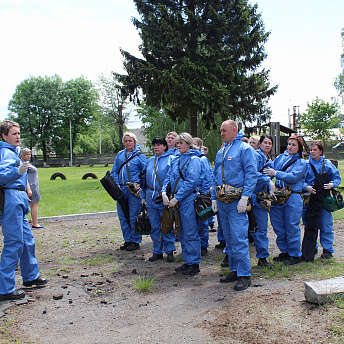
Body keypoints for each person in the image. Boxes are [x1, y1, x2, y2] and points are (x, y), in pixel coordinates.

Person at [0, 120, 47, 301]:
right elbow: (2, 175)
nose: (18, 136)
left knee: (27, 240)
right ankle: (5, 288)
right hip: (11, 198)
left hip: (18, 198)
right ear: (4, 136)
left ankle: (30, 277)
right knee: (14, 243)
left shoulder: (14, 152)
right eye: (13, 133)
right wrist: (18, 171)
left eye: (18, 133)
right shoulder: (5, 152)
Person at [212, 120, 258, 291]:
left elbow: (251, 174)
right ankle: (234, 269)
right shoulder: (221, 151)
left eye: (224, 130)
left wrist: (245, 197)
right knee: (229, 238)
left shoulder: (245, 149)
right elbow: (215, 175)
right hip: (223, 201)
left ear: (234, 130)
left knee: (239, 238)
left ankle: (245, 275)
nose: (221, 133)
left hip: (237, 201)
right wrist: (213, 198)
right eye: (220, 131)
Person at [264, 135, 307, 265]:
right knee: (278, 226)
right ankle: (285, 251)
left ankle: (295, 254)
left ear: (299, 147)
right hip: (278, 195)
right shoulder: (280, 158)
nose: (290, 147)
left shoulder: (302, 162)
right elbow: (268, 170)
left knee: (291, 225)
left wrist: (276, 174)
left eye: (294, 145)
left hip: (293, 195)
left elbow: (294, 177)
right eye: (289, 144)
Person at [162, 133, 201, 276]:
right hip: (175, 200)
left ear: (189, 143)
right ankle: (187, 261)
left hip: (187, 199)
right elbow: (168, 177)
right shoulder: (176, 159)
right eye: (177, 143)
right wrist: (164, 192)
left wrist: (177, 197)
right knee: (182, 232)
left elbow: (191, 181)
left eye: (181, 143)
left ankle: (194, 263)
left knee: (190, 231)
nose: (178, 145)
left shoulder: (194, 160)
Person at [301, 141, 341, 261]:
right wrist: (305, 186)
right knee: (309, 224)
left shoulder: (327, 164)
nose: (312, 152)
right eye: (311, 150)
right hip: (308, 198)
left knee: (325, 225)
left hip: (323, 199)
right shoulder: (305, 165)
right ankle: (312, 246)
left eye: (315, 150)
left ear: (321, 151)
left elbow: (337, 177)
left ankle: (328, 249)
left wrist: (332, 184)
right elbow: (299, 179)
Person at [141, 137, 176, 262]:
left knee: (166, 225)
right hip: (150, 196)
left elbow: (172, 178)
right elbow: (144, 180)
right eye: (154, 145)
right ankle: (157, 250)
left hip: (163, 197)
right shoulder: (150, 161)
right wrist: (143, 197)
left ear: (165, 146)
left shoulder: (171, 160)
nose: (156, 147)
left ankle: (170, 250)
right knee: (155, 226)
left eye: (159, 144)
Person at [111, 132, 148, 252]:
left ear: (135, 142)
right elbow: (114, 171)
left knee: (134, 216)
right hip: (121, 190)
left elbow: (146, 172)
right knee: (122, 216)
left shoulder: (139, 156)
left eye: (130, 141)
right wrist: (117, 184)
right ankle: (127, 239)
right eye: (126, 141)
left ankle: (135, 241)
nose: (128, 143)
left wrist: (141, 187)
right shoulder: (120, 155)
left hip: (134, 191)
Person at [251, 135, 275, 267]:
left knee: (261, 228)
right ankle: (228, 256)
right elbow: (253, 173)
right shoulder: (255, 156)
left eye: (270, 143)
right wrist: (268, 181)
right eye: (265, 142)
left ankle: (262, 257)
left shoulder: (269, 160)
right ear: (260, 144)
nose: (267, 145)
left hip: (261, 197)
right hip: (251, 195)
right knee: (241, 229)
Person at [192, 137, 212, 255]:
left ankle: (203, 245)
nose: (193, 146)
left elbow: (207, 177)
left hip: (200, 194)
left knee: (202, 220)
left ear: (200, 147)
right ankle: (194, 245)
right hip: (190, 194)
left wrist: (204, 193)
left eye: (195, 144)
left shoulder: (202, 159)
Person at [20, 148, 45, 229]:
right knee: (33, 204)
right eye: (26, 154)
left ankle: (32, 222)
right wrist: (28, 189)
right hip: (31, 187)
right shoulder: (23, 164)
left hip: (33, 186)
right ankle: (35, 223)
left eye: (29, 154)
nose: (28, 156)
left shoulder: (26, 163)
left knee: (33, 204)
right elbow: (24, 177)